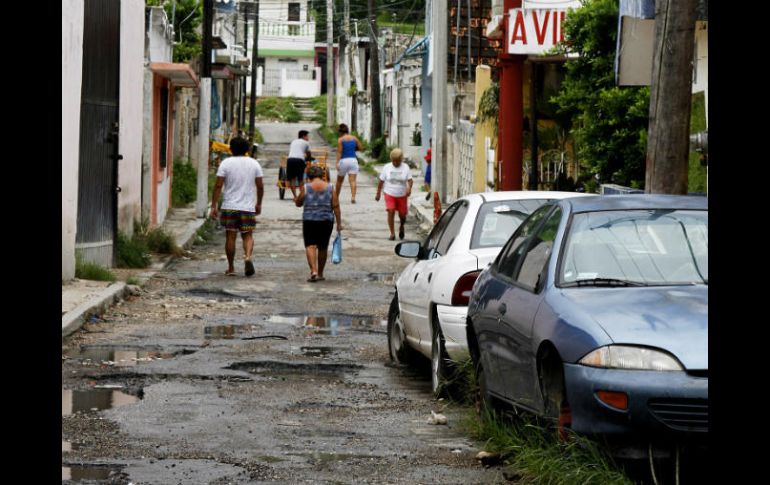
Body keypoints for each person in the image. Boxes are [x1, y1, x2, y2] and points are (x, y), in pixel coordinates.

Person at [209, 136, 264, 277]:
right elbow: (260, 186)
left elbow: (218, 185)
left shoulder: (226, 163)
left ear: (231, 149)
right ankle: (248, 257)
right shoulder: (254, 164)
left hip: (230, 206)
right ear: (247, 149)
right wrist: (259, 203)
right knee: (248, 235)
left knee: (230, 236)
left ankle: (231, 268)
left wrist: (213, 205)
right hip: (247, 207)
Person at [295, 165, 342, 282]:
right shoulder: (330, 187)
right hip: (326, 220)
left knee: (310, 245)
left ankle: (313, 271)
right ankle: (320, 273)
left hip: (309, 220)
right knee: (323, 247)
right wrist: (339, 223)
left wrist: (297, 199)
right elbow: (335, 206)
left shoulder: (306, 187)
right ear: (322, 175)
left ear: (309, 176)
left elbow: (298, 203)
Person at [375, 148, 413, 241]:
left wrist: (409, 188)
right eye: (394, 161)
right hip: (389, 193)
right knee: (390, 211)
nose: (395, 163)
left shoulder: (405, 167)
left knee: (402, 215)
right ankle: (392, 233)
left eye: (398, 161)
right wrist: (378, 193)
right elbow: (381, 181)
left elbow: (410, 180)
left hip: (402, 195)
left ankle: (401, 226)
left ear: (401, 160)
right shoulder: (387, 167)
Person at [335, 123, 364, 204]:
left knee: (339, 181)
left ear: (340, 132)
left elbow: (339, 152)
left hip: (344, 161)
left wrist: (337, 163)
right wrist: (354, 149)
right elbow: (361, 148)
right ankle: (353, 197)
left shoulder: (340, 140)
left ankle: (336, 197)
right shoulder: (354, 138)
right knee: (353, 180)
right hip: (353, 160)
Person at [286, 130, 312, 201]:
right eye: (307, 136)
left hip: (290, 159)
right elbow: (308, 153)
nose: (308, 137)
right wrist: (309, 160)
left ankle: (295, 197)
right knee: (300, 179)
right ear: (303, 136)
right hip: (299, 160)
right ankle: (301, 196)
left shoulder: (293, 141)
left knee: (292, 179)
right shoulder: (306, 143)